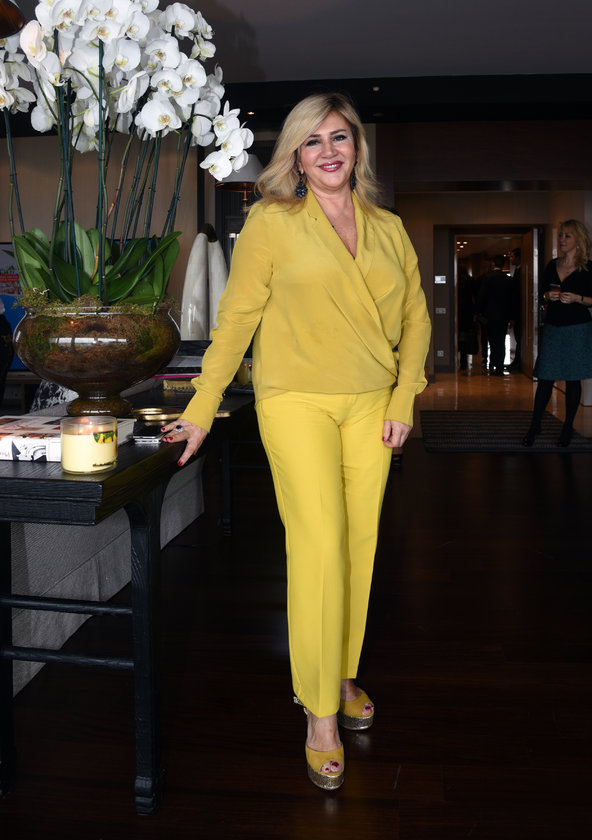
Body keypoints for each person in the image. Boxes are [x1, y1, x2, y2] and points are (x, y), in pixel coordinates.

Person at [162, 92, 431, 790]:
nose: (328, 151)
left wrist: (404, 397)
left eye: (339, 137)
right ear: (296, 158)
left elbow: (416, 318)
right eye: (313, 141)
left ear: (357, 147)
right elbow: (238, 320)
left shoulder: (389, 228)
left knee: (359, 545)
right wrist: (201, 407)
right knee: (318, 545)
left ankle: (339, 672)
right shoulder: (271, 222)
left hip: (371, 403)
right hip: (296, 401)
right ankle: (319, 714)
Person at [523, 219, 592, 447]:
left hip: (578, 329)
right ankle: (534, 425)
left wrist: (578, 298)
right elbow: (542, 293)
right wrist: (547, 296)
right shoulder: (552, 265)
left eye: (567, 236)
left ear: (578, 240)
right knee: (545, 377)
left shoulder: (588, 268)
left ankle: (567, 428)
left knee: (573, 378)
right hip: (553, 328)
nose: (562, 239)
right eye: (561, 235)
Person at [477, 254, 512, 375]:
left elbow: (482, 296)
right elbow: (512, 299)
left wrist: (478, 312)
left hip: (489, 315)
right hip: (503, 315)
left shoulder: (487, 278)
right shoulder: (508, 279)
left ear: (493, 263)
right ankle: (500, 366)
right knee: (501, 341)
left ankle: (492, 363)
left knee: (492, 341)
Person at [507, 247, 522, 371]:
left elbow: (517, 295)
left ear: (518, 257)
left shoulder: (522, 271)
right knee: (518, 337)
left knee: (520, 337)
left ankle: (518, 363)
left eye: (512, 256)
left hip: (520, 311)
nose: (510, 259)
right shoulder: (517, 270)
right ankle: (517, 361)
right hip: (516, 311)